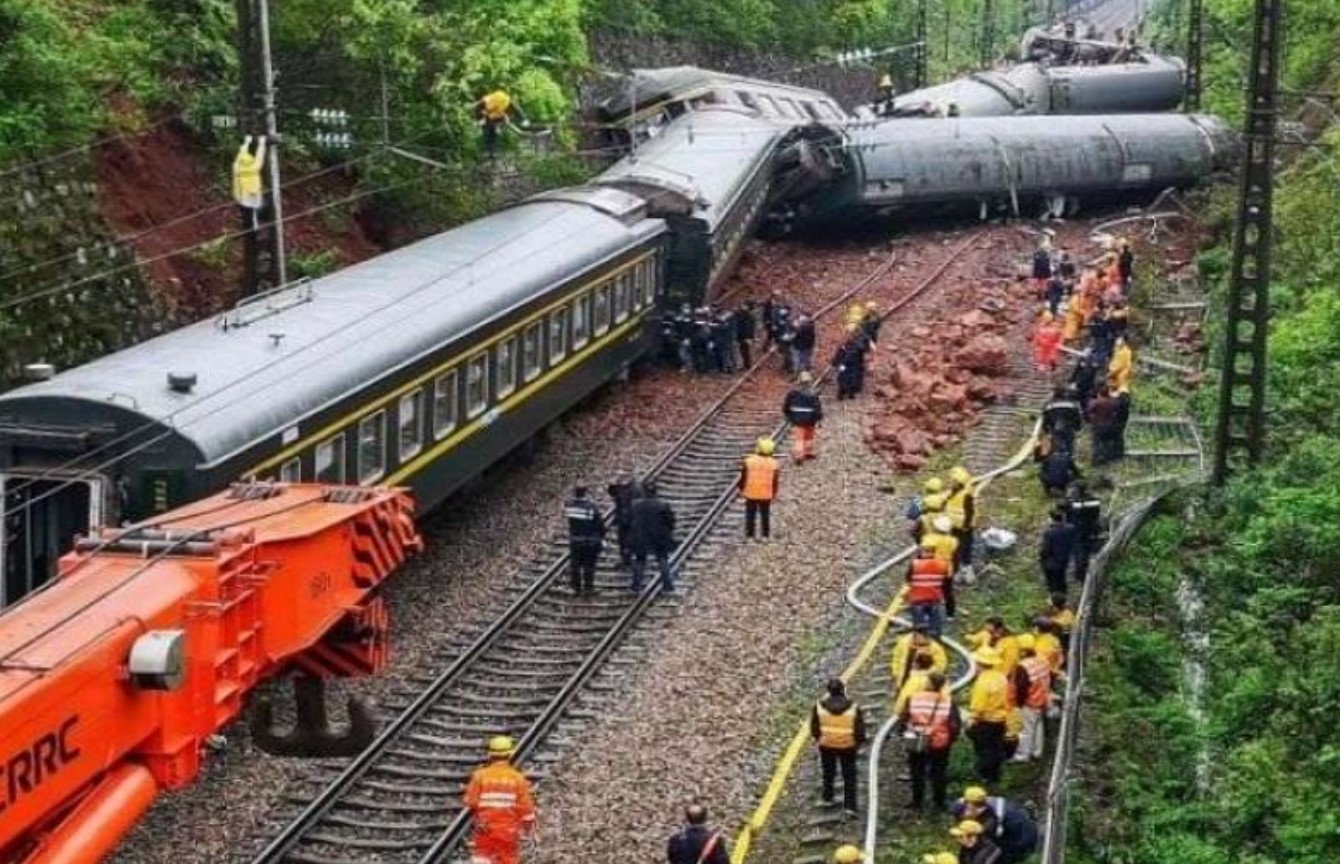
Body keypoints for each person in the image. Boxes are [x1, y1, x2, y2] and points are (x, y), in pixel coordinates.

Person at [463, 736, 536, 864]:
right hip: (508, 830)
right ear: (509, 755)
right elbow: (526, 809)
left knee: (482, 858)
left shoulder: (479, 776)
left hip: (485, 828)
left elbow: (471, 802)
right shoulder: (517, 778)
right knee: (508, 859)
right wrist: (528, 828)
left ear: (490, 755)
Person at [899, 671, 957, 811]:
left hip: (917, 739)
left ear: (929, 683)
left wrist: (904, 734)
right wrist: (950, 740)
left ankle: (917, 802)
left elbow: (904, 718)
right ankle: (939, 802)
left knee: (916, 771)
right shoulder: (948, 702)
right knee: (939, 772)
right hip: (940, 742)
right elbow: (954, 724)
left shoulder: (913, 698)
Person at [811, 678, 867, 816]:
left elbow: (814, 728)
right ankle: (850, 806)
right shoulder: (853, 706)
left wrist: (820, 739)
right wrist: (857, 743)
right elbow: (860, 730)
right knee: (849, 775)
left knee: (828, 772)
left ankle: (828, 797)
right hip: (847, 745)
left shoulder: (819, 706)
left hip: (826, 744)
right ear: (843, 690)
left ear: (828, 691)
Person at [953, 788, 1039, 864]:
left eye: (964, 818)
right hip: (1022, 825)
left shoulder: (990, 822)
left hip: (1022, 842)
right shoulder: (985, 802)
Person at [966, 648, 1010, 784]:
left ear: (979, 664)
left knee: (984, 749)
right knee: (995, 746)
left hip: (986, 720)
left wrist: (971, 720)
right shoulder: (1001, 677)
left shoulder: (982, 683)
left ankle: (983, 776)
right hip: (1001, 719)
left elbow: (978, 707)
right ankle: (994, 775)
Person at [1010, 635, 1052, 763]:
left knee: (1026, 730)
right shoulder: (1042, 661)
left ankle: (1023, 755)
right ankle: (1036, 751)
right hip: (1042, 699)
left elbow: (1022, 687)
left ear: (1023, 651)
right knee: (1038, 726)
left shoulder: (1023, 666)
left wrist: (1018, 704)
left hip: (1030, 702)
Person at [629, 480, 677, 592]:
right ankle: (668, 584)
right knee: (662, 559)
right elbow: (671, 521)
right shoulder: (663, 505)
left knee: (640, 560)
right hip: (659, 536)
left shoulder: (635, 505)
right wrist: (668, 532)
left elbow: (628, 521)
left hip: (640, 536)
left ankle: (636, 584)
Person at [564, 485, 605, 595]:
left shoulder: (569, 506)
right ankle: (588, 588)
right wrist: (601, 537)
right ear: (585, 493)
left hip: (575, 540)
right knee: (589, 565)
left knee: (575, 564)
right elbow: (599, 524)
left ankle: (576, 588)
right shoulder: (591, 507)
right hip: (589, 540)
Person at [905, 545, 950, 638]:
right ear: (934, 553)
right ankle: (934, 640)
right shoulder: (942, 564)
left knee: (919, 627)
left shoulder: (915, 564)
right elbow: (945, 583)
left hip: (917, 599)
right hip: (935, 598)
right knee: (935, 626)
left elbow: (908, 578)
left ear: (921, 553)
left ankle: (919, 640)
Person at [739, 437, 780, 539]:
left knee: (750, 515)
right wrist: (774, 493)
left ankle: (750, 536)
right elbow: (775, 481)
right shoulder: (774, 463)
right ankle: (765, 535)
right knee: (765, 514)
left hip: (750, 492)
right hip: (766, 494)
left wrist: (741, 488)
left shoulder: (749, 461)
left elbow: (743, 477)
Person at [920, 515, 959, 620]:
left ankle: (928, 614)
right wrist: (955, 569)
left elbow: (923, 556)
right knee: (947, 592)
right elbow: (955, 556)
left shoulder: (928, 539)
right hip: (946, 569)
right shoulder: (953, 541)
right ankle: (950, 614)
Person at [1064, 483, 1103, 583]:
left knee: (1079, 551)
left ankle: (1081, 574)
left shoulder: (1072, 502)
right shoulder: (1093, 500)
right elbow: (1096, 513)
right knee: (1084, 551)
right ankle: (1083, 571)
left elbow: (1068, 515)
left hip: (1078, 529)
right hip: (1090, 527)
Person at [783, 371, 824, 461]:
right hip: (810, 420)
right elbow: (817, 408)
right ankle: (808, 452)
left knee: (799, 438)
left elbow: (786, 405)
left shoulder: (792, 394)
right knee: (809, 437)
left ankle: (799, 455)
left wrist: (788, 416)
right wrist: (819, 418)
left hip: (797, 419)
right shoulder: (813, 394)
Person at [945, 466, 977, 579]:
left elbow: (970, 512)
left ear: (959, 482)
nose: (951, 482)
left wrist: (966, 526)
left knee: (966, 548)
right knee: (955, 549)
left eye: (954, 481)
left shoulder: (966, 495)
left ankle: (967, 570)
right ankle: (956, 570)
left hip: (965, 528)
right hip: (954, 526)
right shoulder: (952, 492)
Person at [1039, 509, 1077, 596]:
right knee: (1061, 580)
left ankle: (1055, 600)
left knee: (1053, 584)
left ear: (1051, 519)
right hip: (1064, 561)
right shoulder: (1070, 529)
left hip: (1052, 563)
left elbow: (1045, 549)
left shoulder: (1049, 532)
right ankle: (1063, 598)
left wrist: (1042, 558)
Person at [607, 473, 642, 567]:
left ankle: (631, 557)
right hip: (623, 518)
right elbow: (612, 493)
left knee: (630, 539)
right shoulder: (620, 488)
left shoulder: (636, 490)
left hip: (632, 518)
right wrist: (611, 485)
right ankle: (626, 559)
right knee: (622, 539)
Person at [1086, 386, 1121, 466]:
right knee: (1107, 443)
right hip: (1110, 425)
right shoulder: (1113, 402)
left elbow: (1087, 411)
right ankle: (1107, 459)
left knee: (1097, 443)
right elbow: (1118, 412)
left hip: (1098, 425)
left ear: (1099, 394)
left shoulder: (1095, 402)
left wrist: (1091, 419)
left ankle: (1096, 460)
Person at [476, 88, 515, 158]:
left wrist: (506, 118)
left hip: (497, 120)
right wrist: (482, 117)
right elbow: (478, 109)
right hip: (487, 119)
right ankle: (487, 151)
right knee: (487, 133)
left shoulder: (505, 102)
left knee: (495, 134)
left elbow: (509, 113)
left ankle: (494, 151)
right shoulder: (486, 101)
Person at [834, 325, 866, 400]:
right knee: (844, 379)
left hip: (851, 365)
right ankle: (844, 394)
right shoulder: (847, 345)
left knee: (848, 379)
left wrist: (837, 362)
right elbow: (839, 354)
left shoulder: (856, 345)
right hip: (848, 365)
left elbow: (840, 354)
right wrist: (835, 362)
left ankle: (846, 394)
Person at [735, 300, 757, 368]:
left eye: (744, 305)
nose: (742, 306)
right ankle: (746, 364)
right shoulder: (743, 313)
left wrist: (749, 337)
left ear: (747, 307)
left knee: (746, 351)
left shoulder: (750, 315)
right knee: (743, 350)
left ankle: (748, 365)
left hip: (746, 336)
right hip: (741, 335)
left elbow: (750, 328)